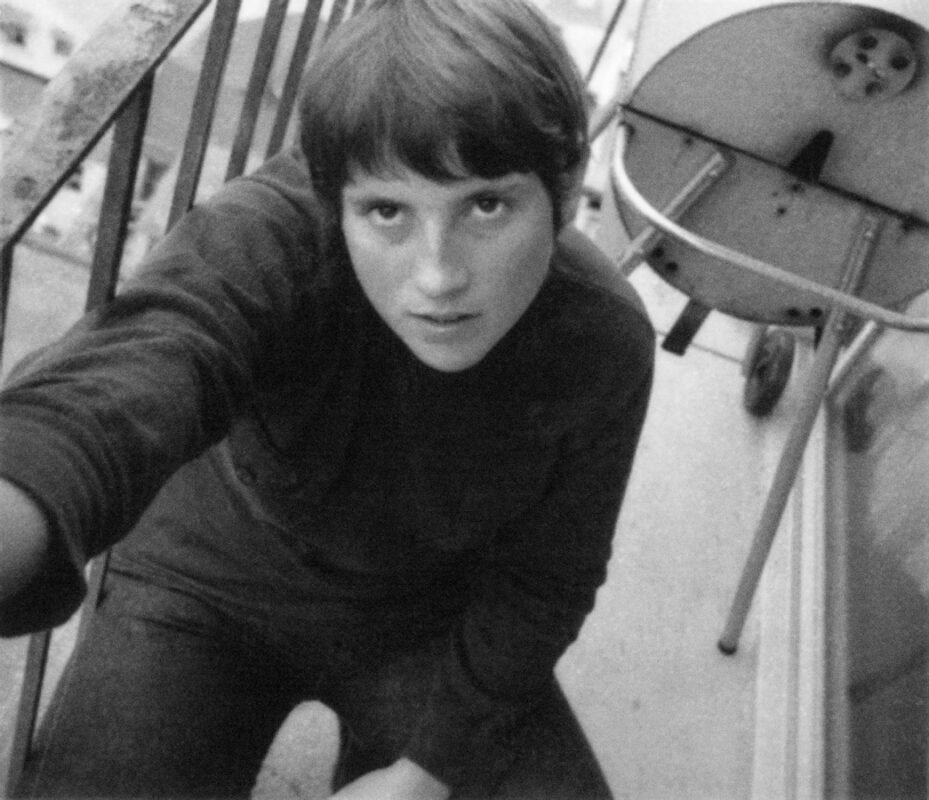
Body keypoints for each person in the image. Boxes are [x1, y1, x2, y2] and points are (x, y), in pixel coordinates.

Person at [0, 0, 654, 797]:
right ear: (331, 198)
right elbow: (147, 360)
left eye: (486, 205)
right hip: (206, 578)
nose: (438, 276)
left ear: (566, 187)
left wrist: (425, 771)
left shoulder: (601, 339)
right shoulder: (273, 237)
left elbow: (548, 579)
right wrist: (22, 486)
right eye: (387, 211)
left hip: (424, 612)